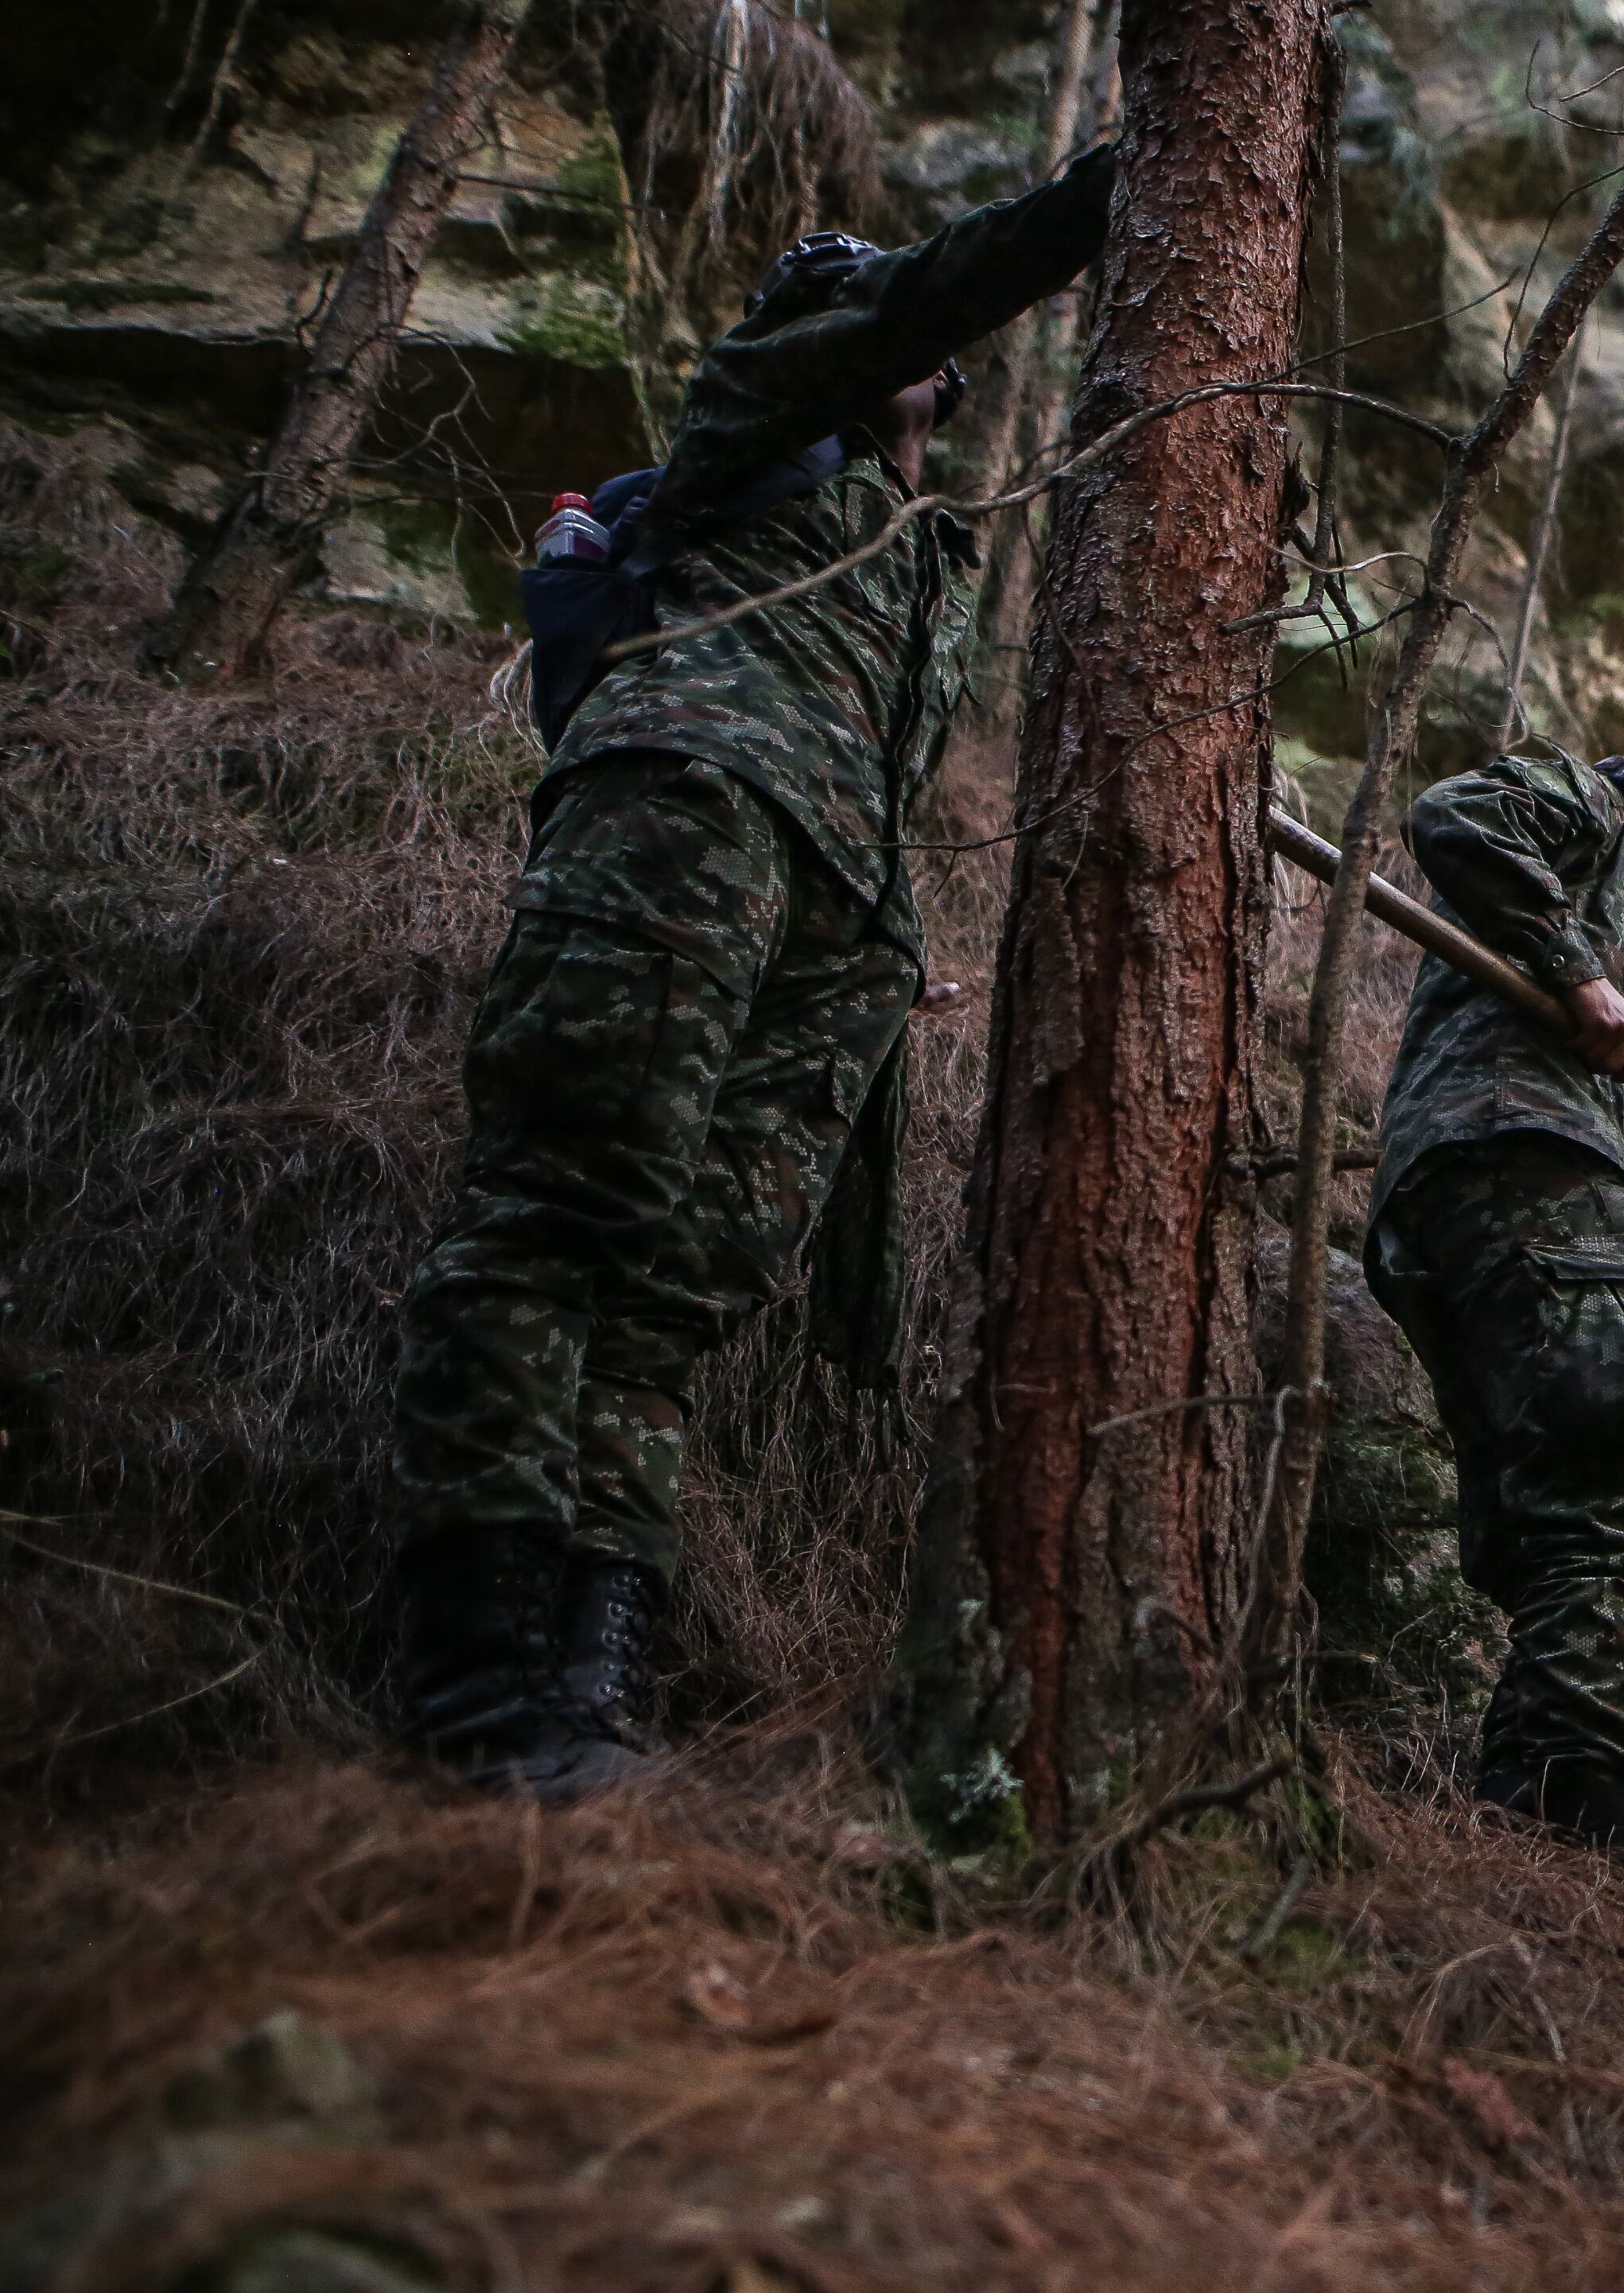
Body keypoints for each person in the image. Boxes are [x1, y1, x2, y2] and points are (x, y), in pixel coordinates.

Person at [388, 142, 1121, 1800]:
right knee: (557, 1220)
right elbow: (928, 295)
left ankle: (590, 1689)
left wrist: (882, 940)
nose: (907, 338)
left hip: (830, 925)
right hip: (683, 814)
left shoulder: (925, 548)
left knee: (677, 1294)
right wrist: (1112, 185)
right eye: (871, 313)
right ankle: (476, 1688)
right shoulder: (754, 404)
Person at [1362, 743, 1624, 1848]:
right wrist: (1577, 967)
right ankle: (1576, 1841)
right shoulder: (1590, 804)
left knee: (1558, 1513)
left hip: (1455, 1194)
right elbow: (1453, 811)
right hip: (1522, 1152)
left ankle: (1526, 1829)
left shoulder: (1587, 971)